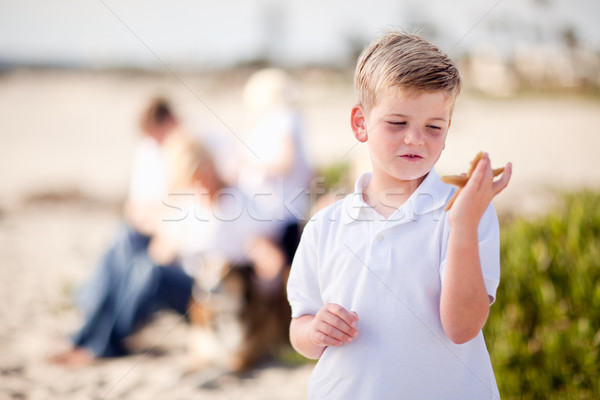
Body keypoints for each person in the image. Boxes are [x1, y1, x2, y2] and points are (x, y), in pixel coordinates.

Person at [286, 30, 512, 399]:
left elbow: (462, 327)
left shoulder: (468, 214)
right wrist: (314, 332)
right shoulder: (325, 226)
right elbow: (301, 326)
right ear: (361, 123)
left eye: (433, 127)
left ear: (447, 129)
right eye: (397, 123)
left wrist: (463, 225)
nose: (415, 139)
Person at [238, 68, 313, 272]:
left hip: (276, 213)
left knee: (277, 267)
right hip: (278, 210)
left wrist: (247, 163)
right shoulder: (286, 118)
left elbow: (284, 161)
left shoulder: (282, 117)